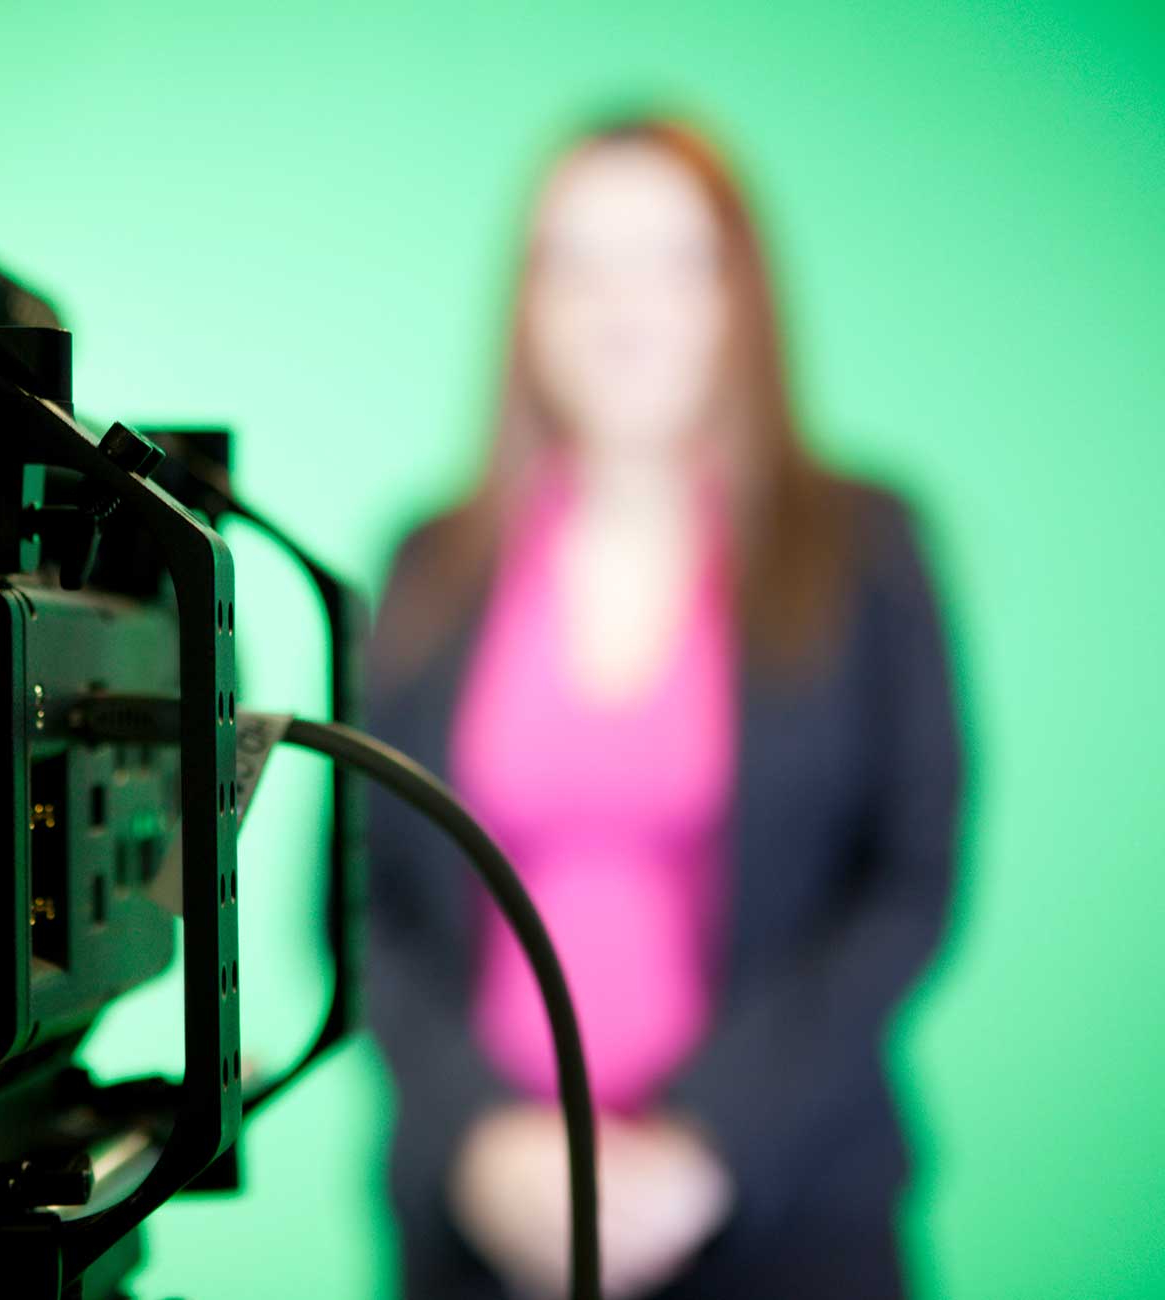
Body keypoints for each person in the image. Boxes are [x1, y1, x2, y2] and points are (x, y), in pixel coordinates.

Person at [367, 117, 963, 1299]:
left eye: (667, 259)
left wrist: (711, 1142)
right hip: (482, 1227)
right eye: (574, 261)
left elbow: (907, 883)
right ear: (527, 302)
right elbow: (360, 906)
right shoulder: (430, 566)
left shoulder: (865, 548)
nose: (617, 304)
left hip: (785, 1211)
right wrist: (482, 1136)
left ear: (739, 294)